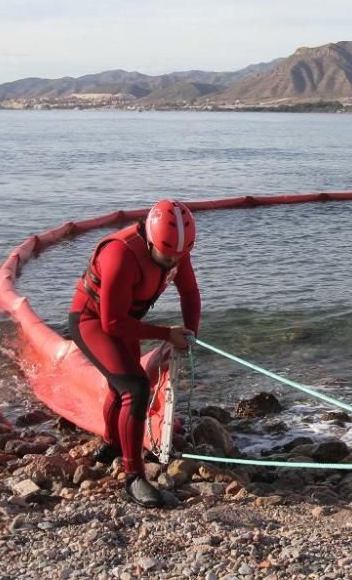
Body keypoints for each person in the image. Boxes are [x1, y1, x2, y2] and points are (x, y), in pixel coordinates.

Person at [68, 199, 201, 508]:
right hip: (93, 322)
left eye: (178, 257)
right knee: (136, 388)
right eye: (166, 256)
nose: (172, 263)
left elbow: (190, 292)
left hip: (125, 320)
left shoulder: (177, 253)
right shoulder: (121, 253)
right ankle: (133, 477)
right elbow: (111, 322)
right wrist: (166, 334)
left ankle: (112, 444)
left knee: (122, 385)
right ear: (151, 240)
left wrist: (191, 333)